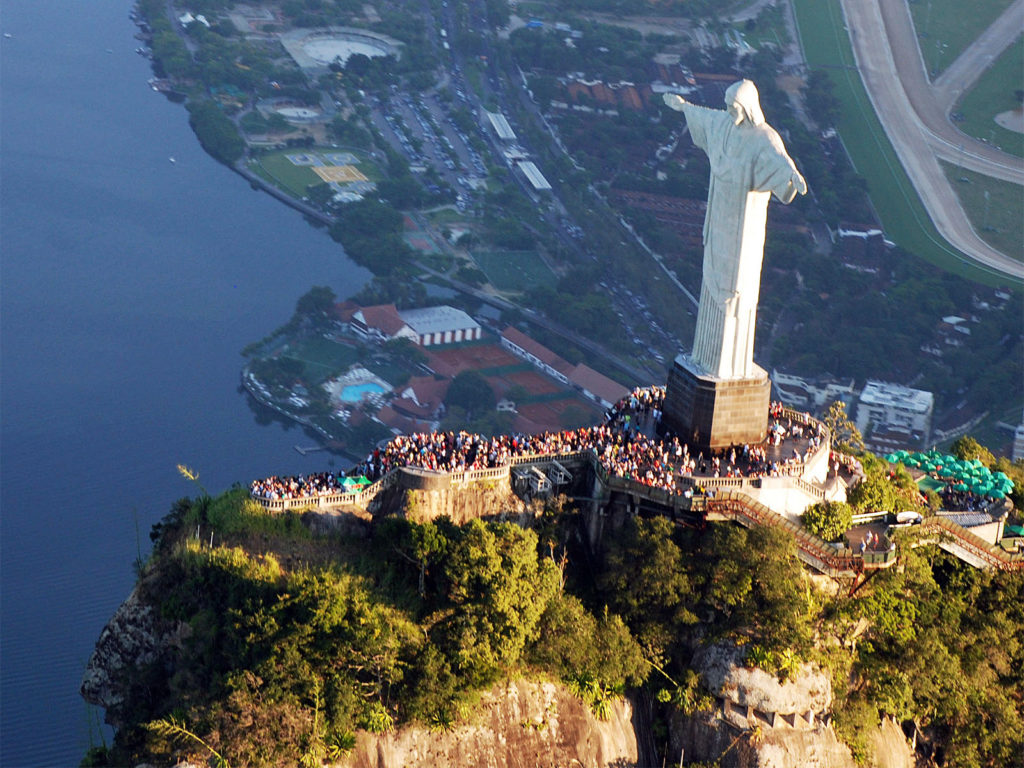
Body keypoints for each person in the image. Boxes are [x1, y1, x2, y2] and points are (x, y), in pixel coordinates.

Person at [664, 81, 807, 380]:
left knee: (735, 288)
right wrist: (683, 107)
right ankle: (705, 356)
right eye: (728, 106)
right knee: (711, 281)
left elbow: (780, 160)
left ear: (749, 108)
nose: (730, 112)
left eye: (735, 107)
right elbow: (704, 116)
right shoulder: (724, 124)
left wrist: (792, 176)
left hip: (743, 226)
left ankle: (729, 364)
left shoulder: (764, 138)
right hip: (719, 215)